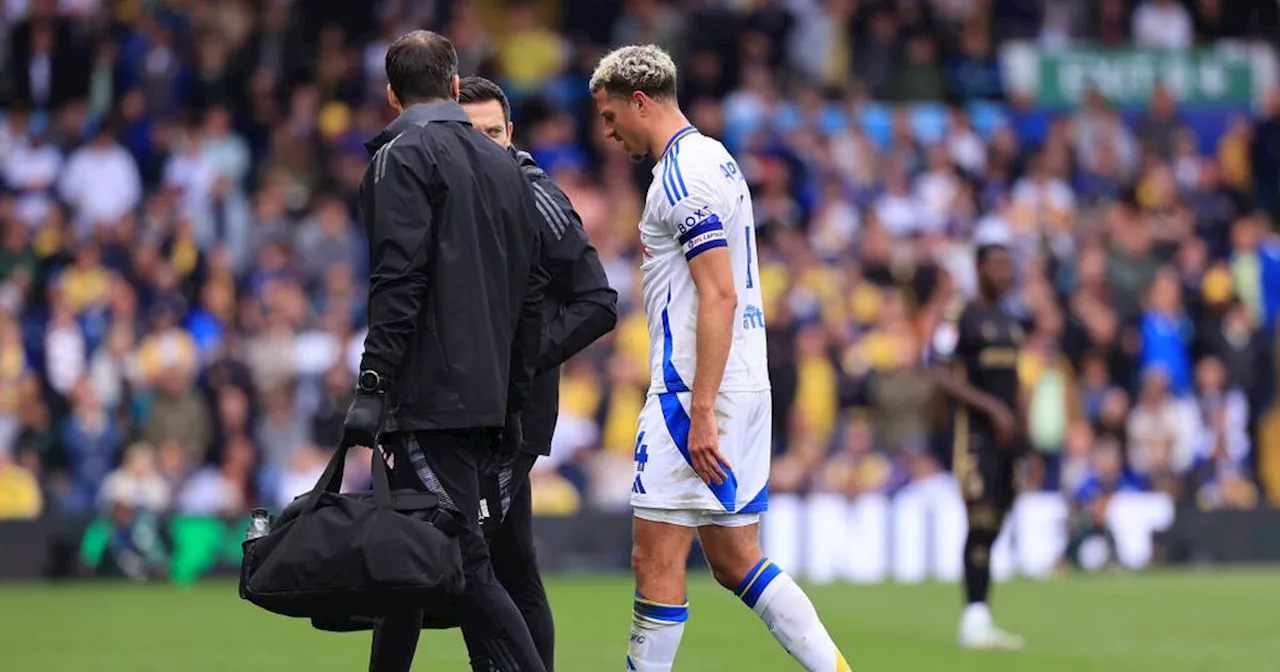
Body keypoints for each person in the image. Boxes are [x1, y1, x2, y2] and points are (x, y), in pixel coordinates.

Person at [588, 45, 851, 672]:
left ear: (640, 101)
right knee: (736, 560)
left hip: (693, 391)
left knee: (655, 562)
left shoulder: (679, 178)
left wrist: (700, 407)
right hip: (741, 382)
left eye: (608, 114)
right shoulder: (718, 159)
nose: (606, 130)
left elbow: (719, 292)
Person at [341, 31, 549, 672]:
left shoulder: (400, 156)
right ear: (457, 87)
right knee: (415, 565)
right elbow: (530, 294)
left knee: (468, 563)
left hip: (432, 396)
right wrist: (513, 394)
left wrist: (373, 384)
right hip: (490, 393)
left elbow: (397, 279)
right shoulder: (507, 164)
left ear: (390, 94)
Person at [457, 75, 619, 671]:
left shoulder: (533, 193)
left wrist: (520, 360)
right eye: (471, 134)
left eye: (494, 132)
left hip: (514, 415)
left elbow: (598, 302)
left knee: (473, 560)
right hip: (472, 409)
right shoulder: (457, 196)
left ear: (511, 134)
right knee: (512, 564)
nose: (485, 144)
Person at [927, 228, 1026, 650]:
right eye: (997, 265)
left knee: (997, 521)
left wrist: (1024, 434)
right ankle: (973, 618)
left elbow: (1015, 383)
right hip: (974, 439)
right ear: (979, 269)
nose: (1005, 272)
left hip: (1008, 442)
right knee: (981, 519)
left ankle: (981, 614)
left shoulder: (1010, 322)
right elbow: (940, 372)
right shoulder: (960, 316)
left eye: (1009, 265)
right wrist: (993, 410)